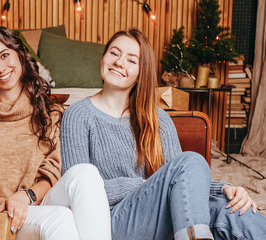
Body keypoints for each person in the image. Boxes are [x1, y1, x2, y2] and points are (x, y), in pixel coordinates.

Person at [61, 28, 266, 240]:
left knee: (228, 207)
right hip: (111, 222)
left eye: (132, 60)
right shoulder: (77, 115)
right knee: (190, 161)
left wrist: (227, 189)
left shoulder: (157, 118)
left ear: (142, 74)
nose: (119, 62)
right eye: (114, 53)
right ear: (103, 58)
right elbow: (76, 193)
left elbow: (184, 181)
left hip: (157, 216)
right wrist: (145, 185)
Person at [0, 26, 111, 240]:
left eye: (4, 55)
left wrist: (26, 196)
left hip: (35, 202)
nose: (0, 67)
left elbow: (52, 171)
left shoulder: (50, 111)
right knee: (60, 218)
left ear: (20, 55)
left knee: (85, 173)